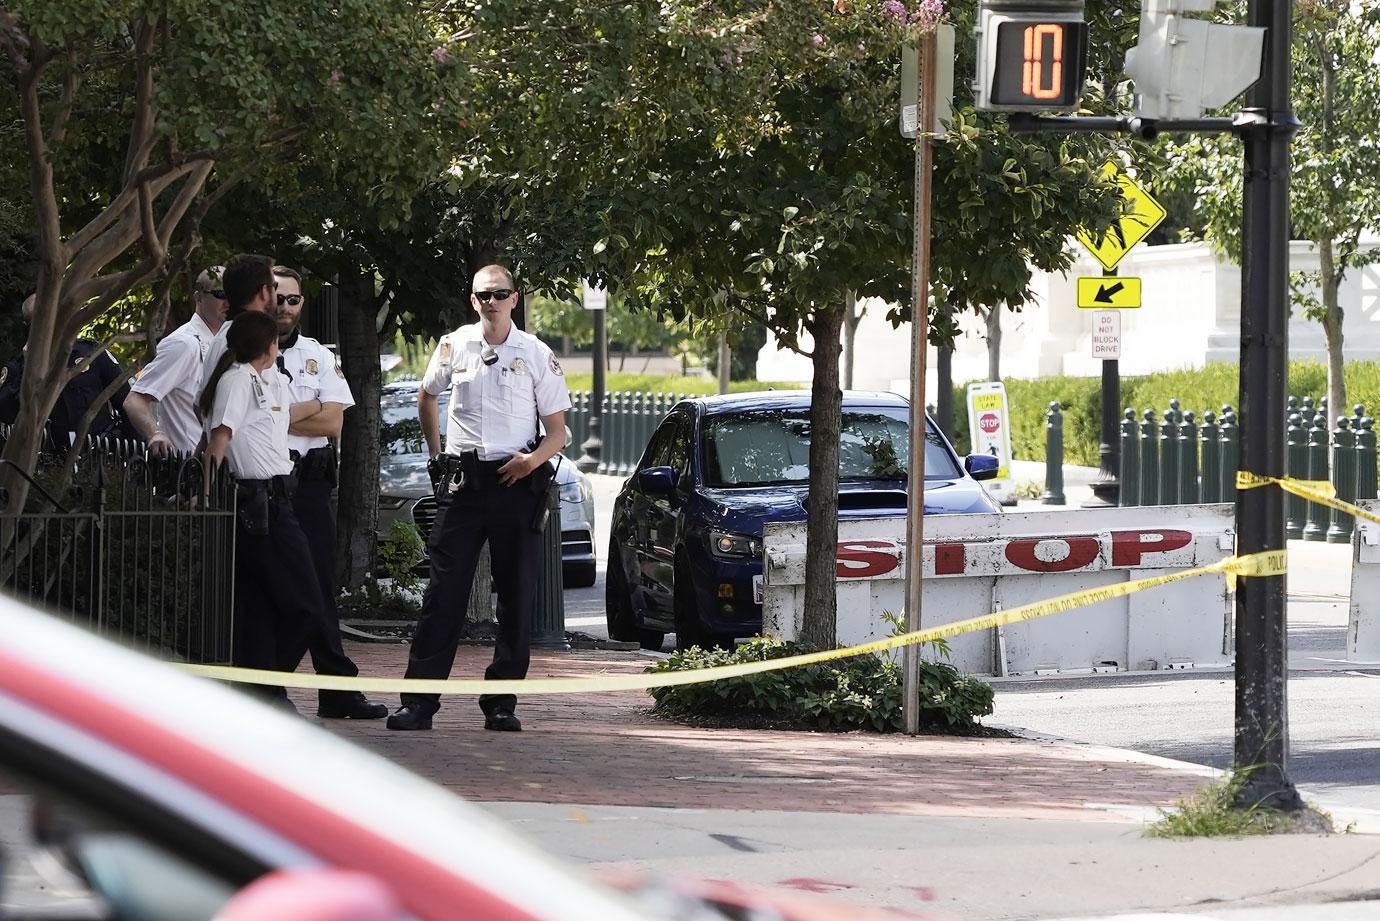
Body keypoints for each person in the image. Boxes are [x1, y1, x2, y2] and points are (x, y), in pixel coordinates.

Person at [387, 264, 571, 732]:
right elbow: (427, 397)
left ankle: (502, 701)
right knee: (443, 594)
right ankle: (419, 702)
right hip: (463, 484)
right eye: (483, 294)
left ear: (515, 299)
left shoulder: (535, 353)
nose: (491, 301)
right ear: (473, 300)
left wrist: (531, 462)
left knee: (515, 596)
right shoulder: (454, 345)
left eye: (500, 293)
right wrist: (436, 454)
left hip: (515, 481)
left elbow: (558, 432)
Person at [272, 265, 386, 720]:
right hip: (266, 481)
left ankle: (334, 688)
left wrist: (284, 413)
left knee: (318, 586)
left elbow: (334, 422)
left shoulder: (317, 356)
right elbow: (253, 415)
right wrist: (310, 407)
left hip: (311, 485)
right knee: (285, 591)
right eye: (278, 298)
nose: (285, 307)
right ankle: (267, 685)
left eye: (293, 299)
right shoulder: (244, 352)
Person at [199, 306, 320, 707]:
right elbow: (218, 442)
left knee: (263, 608)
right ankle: (261, 690)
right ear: (268, 345)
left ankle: (262, 693)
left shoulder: (267, 379)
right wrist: (207, 496)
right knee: (305, 606)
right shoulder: (236, 381)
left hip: (279, 496)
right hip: (257, 501)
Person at [0, 293, 133, 446]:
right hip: (49, 460)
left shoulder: (91, 353)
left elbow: (128, 403)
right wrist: (29, 366)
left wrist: (124, 449)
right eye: (38, 322)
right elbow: (6, 414)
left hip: (98, 455)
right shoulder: (18, 367)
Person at [125, 267, 227, 456]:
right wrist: (155, 434)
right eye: (221, 294)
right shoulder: (184, 344)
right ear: (198, 297)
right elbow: (135, 400)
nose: (228, 302)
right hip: (187, 469)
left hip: (220, 469)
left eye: (234, 295)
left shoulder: (226, 343)